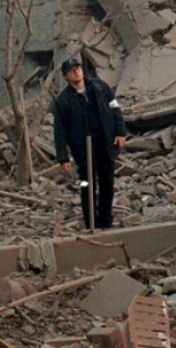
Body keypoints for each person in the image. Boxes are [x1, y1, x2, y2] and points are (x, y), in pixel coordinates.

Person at [54, 57, 127, 229]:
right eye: (72, 70)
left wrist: (120, 131)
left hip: (105, 143)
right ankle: (90, 222)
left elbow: (115, 107)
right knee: (87, 185)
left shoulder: (99, 87)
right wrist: (63, 157)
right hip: (83, 149)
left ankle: (105, 220)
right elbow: (60, 130)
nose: (77, 71)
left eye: (78, 68)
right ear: (66, 76)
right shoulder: (63, 100)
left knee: (107, 182)